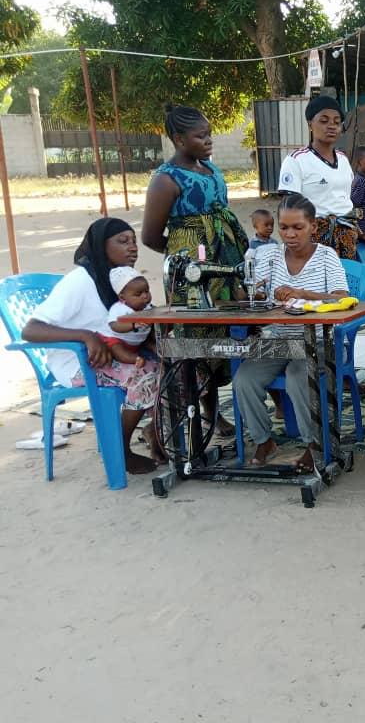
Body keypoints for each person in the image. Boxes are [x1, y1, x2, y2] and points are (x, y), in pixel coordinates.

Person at [142, 102, 249, 436]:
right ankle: (204, 412)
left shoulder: (210, 170)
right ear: (179, 139)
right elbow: (150, 236)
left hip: (224, 258)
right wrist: (185, 254)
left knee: (228, 330)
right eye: (201, 136)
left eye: (209, 134)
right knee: (196, 337)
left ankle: (226, 407)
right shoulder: (165, 180)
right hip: (191, 269)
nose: (208, 140)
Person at [22, 219, 160, 474]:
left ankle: (155, 432)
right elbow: (30, 330)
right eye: (122, 241)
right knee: (143, 375)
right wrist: (86, 336)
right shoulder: (80, 281)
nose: (132, 247)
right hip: (78, 362)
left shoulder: (121, 280)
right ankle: (120, 452)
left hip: (112, 354)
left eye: (133, 241)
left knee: (172, 367)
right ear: (101, 245)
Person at [233, 194, 350, 470]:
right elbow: (256, 294)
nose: (290, 234)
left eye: (298, 227)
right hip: (280, 340)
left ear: (313, 226)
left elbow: (342, 298)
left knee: (299, 379)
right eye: (284, 228)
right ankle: (264, 440)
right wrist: (257, 295)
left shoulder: (326, 257)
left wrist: (302, 293)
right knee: (244, 379)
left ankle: (313, 444)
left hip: (319, 342)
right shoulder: (270, 256)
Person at [278, 95, 357, 259]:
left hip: (346, 236)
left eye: (337, 122)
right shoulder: (296, 160)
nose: (332, 126)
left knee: (347, 275)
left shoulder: (343, 160)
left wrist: (359, 231)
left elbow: (344, 201)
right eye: (324, 121)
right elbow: (289, 207)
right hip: (312, 239)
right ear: (310, 124)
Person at [99, 266, 155, 367]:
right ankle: (134, 359)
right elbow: (114, 325)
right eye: (138, 294)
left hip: (137, 341)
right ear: (122, 297)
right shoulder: (119, 309)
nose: (145, 296)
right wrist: (133, 325)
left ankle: (155, 347)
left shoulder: (148, 307)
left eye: (147, 291)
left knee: (151, 335)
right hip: (118, 339)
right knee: (117, 349)